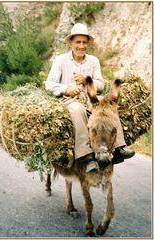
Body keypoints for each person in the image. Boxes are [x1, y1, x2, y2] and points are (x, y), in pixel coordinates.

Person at [45, 23, 135, 173]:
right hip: (69, 100)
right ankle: (87, 156)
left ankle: (119, 147)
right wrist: (67, 88)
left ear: (88, 43)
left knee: (108, 104)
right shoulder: (60, 60)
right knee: (76, 110)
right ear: (71, 43)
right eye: (77, 42)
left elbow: (100, 84)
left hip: (90, 98)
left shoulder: (93, 61)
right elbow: (49, 84)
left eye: (84, 42)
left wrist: (87, 80)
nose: (81, 46)